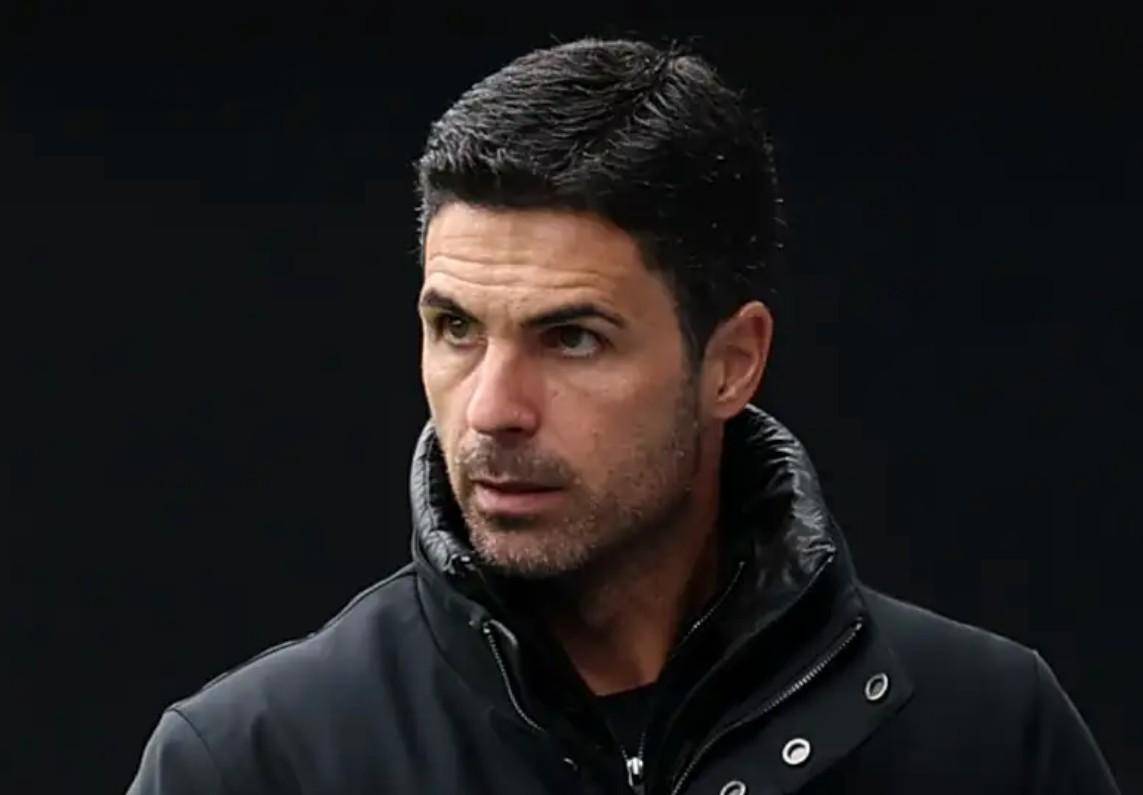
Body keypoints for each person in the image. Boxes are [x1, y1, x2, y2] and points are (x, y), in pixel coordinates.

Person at [127, 38, 1120, 794]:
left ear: (731, 363)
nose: (493, 410)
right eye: (456, 328)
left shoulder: (988, 735)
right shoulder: (254, 763)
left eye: (572, 338)